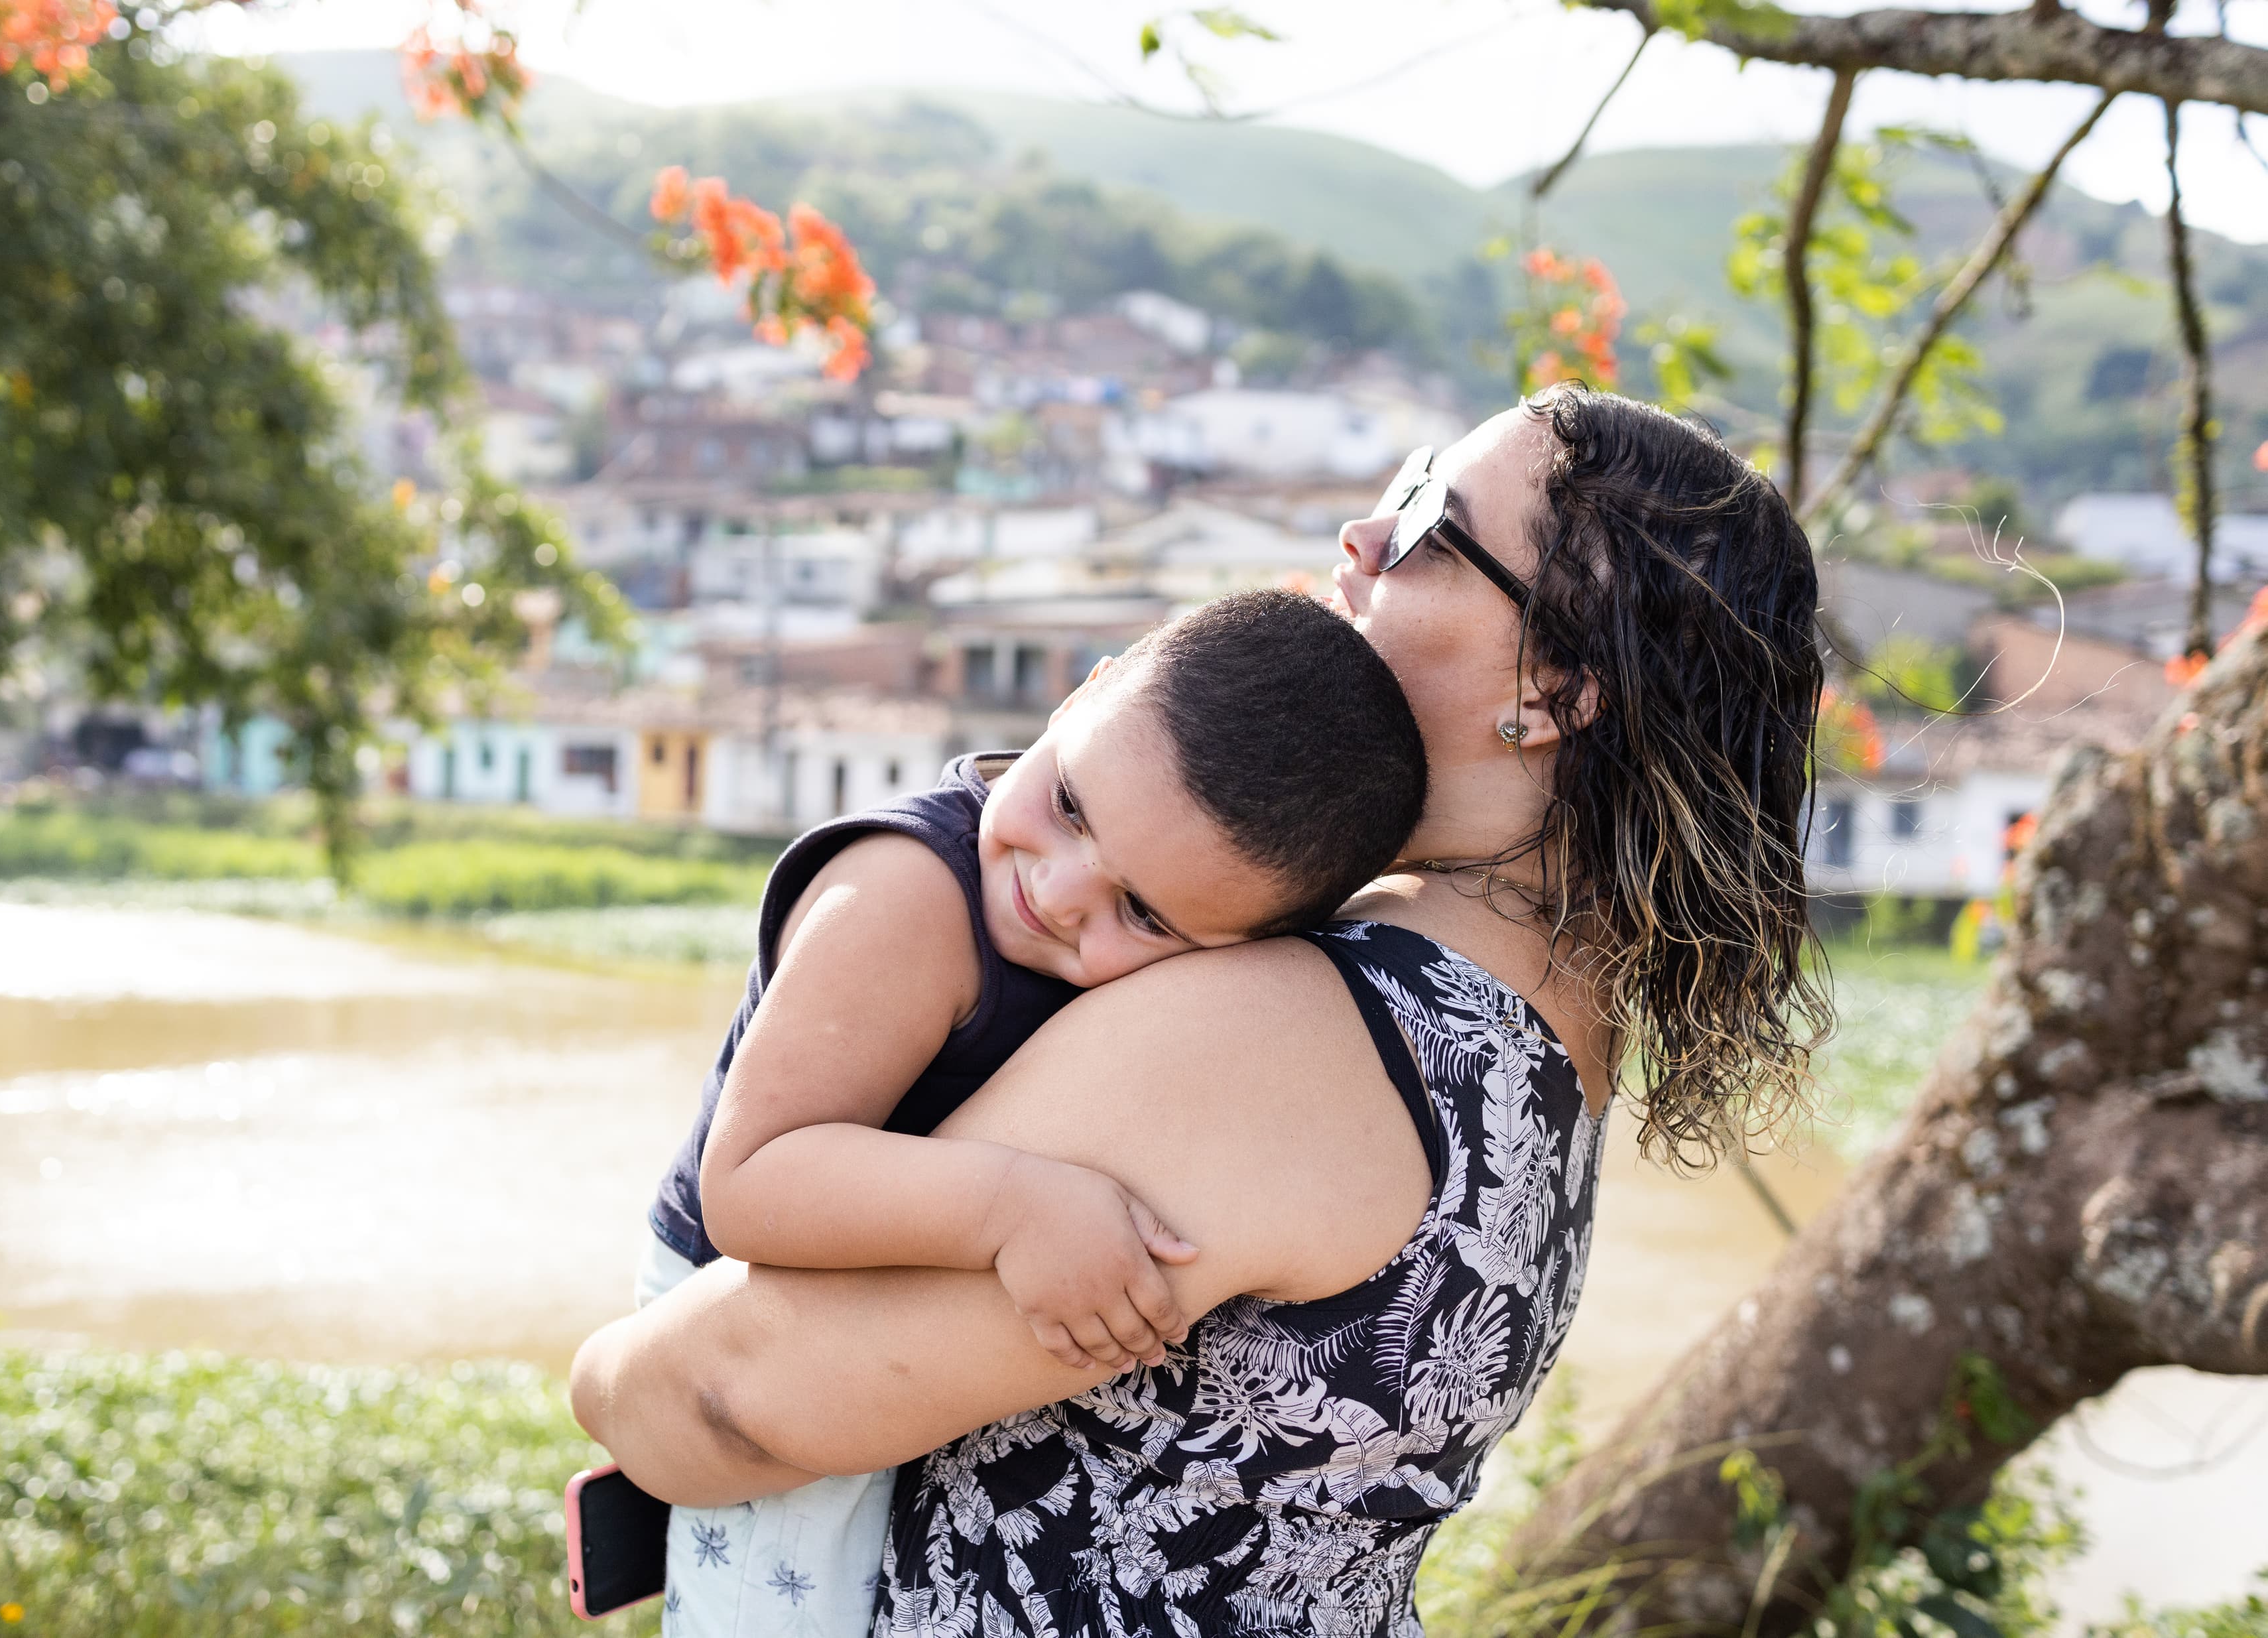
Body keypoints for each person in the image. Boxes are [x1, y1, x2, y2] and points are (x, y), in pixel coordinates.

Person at [574, 388, 1830, 1638]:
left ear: (1553, 688)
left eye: (1426, 519)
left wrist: (605, 1378)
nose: (1361, 537)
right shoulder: (1549, 1043)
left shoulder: (1290, 1033)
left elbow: (734, 1400)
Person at [638, 588, 1430, 1637]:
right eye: (1069, 805)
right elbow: (753, 1183)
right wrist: (1015, 1208)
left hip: (880, 1298)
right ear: (1086, 689)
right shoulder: (911, 896)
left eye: (1142, 913)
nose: (1059, 891)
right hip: (746, 1302)